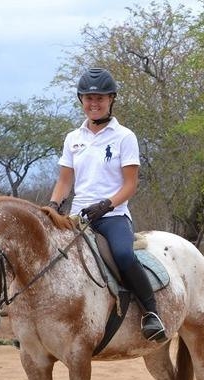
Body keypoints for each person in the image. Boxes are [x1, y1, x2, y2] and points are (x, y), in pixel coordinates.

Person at [48, 67, 166, 343]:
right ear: (81, 100)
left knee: (124, 255)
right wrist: (53, 206)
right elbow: (65, 181)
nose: (94, 103)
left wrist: (106, 204)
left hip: (113, 216)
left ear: (111, 99)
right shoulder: (73, 138)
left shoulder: (125, 136)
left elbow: (130, 185)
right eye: (88, 98)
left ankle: (151, 313)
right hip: (78, 216)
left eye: (100, 98)